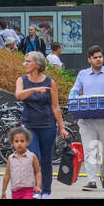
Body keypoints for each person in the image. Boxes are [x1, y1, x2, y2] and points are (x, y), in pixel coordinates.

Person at [15, 50, 69, 198]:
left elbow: (55, 106)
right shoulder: (22, 80)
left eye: (28, 61)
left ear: (38, 64)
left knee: (46, 160)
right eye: (25, 61)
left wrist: (62, 127)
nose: (25, 64)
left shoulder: (49, 82)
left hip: (47, 125)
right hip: (29, 125)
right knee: (34, 157)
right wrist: (33, 89)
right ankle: (36, 189)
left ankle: (46, 191)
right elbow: (18, 95)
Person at [70, 45, 104, 191]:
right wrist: (72, 96)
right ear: (89, 59)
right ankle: (91, 181)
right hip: (87, 118)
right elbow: (75, 90)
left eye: (100, 57)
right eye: (95, 57)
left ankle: (103, 175)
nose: (99, 59)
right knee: (90, 149)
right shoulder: (82, 74)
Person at [1, 127, 43, 200]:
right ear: (12, 143)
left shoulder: (32, 156)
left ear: (27, 142)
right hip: (15, 191)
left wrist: (38, 186)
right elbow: (7, 175)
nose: (19, 144)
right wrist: (3, 191)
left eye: (22, 141)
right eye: (16, 141)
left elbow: (37, 172)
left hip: (28, 189)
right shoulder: (11, 158)